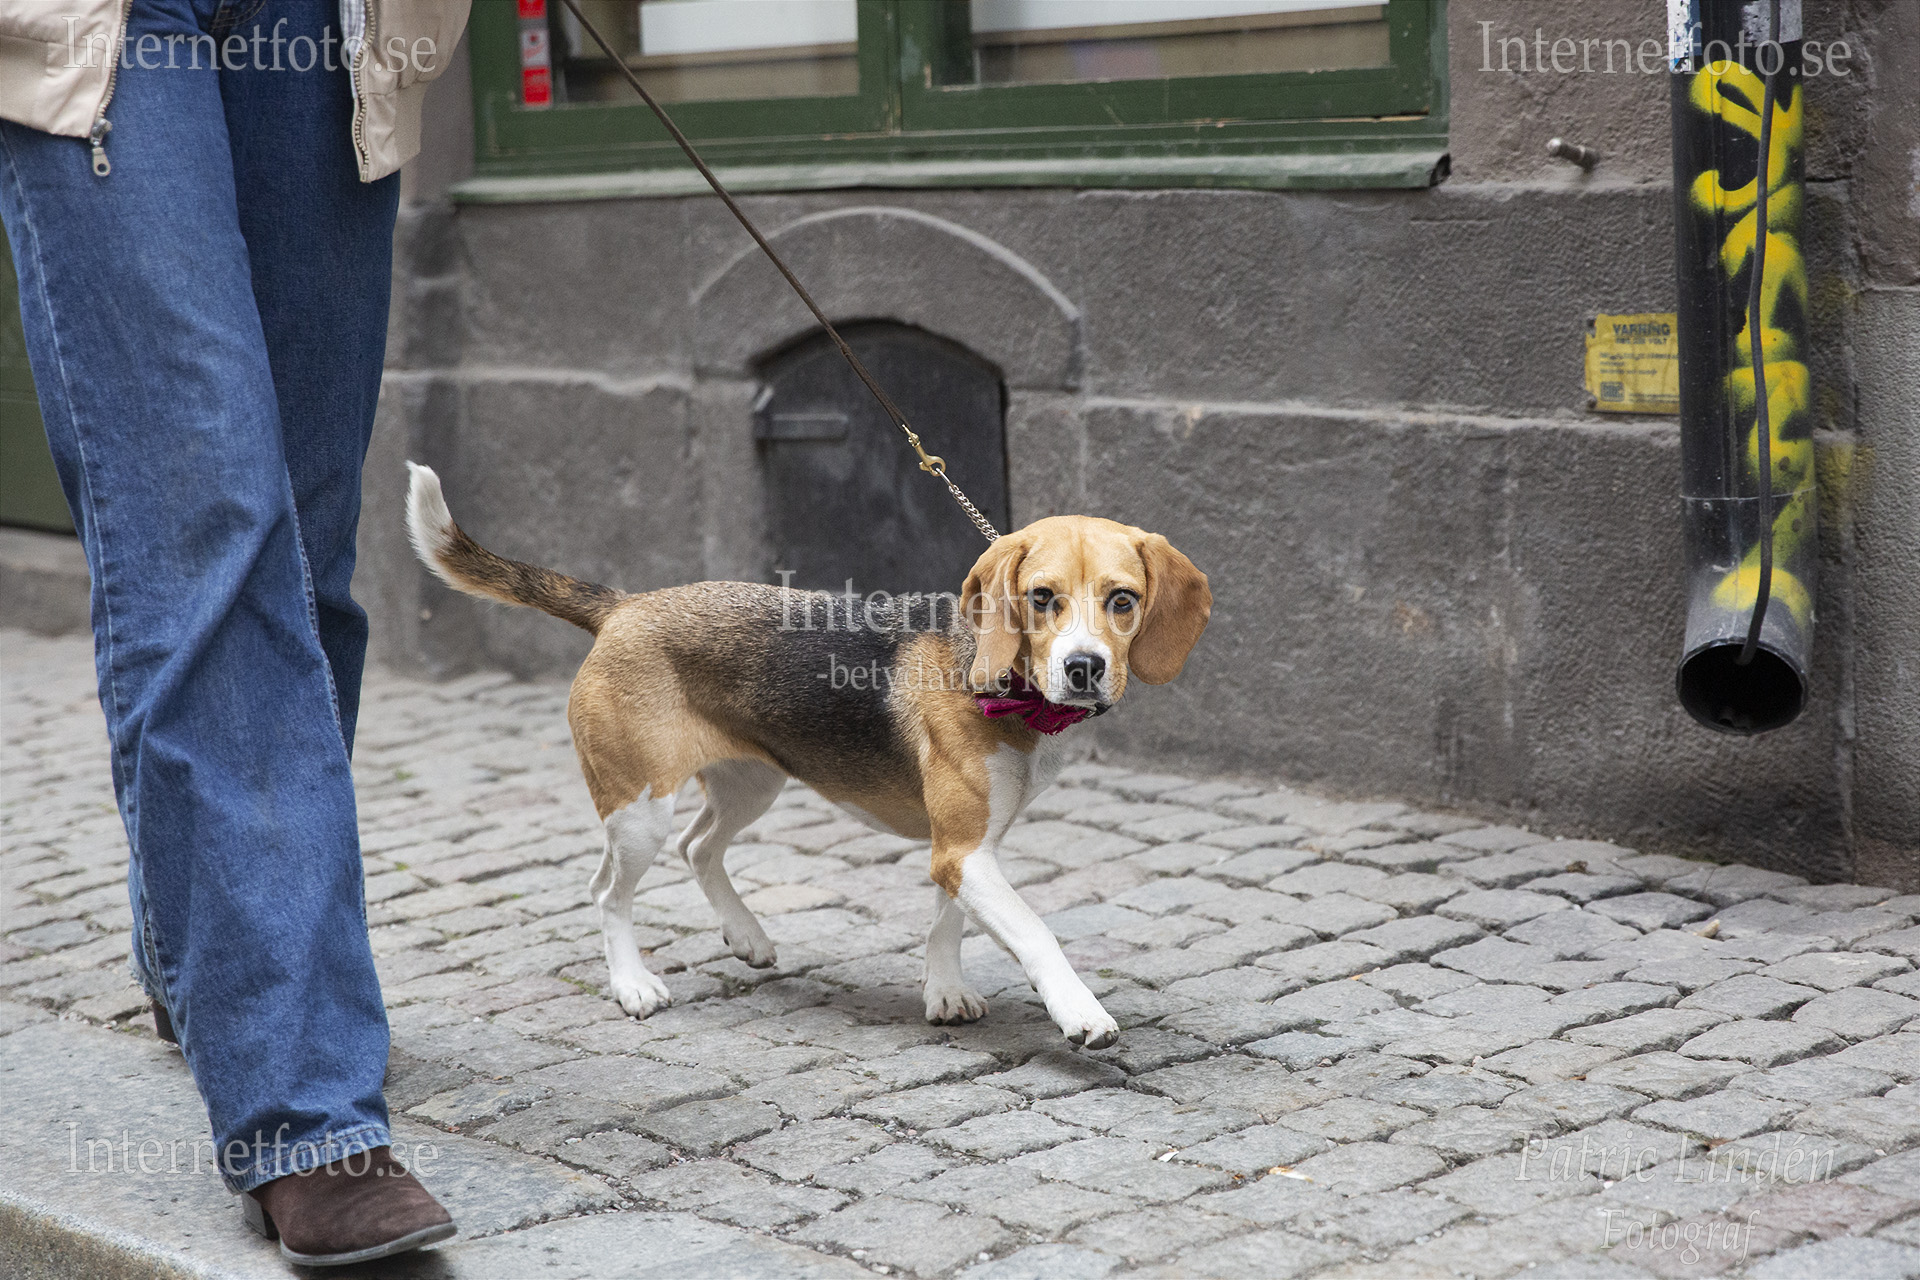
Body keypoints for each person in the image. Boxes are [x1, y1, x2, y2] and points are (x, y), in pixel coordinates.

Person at [0, 0, 471, 1265]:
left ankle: (201, 956)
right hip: (110, 24)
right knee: (207, 526)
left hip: (326, 22)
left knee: (307, 560)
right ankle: (305, 1108)